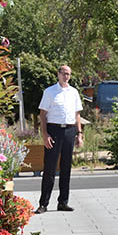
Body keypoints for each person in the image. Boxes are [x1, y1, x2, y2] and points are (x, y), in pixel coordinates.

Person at [35, 65, 83, 214]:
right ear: (58, 74)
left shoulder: (74, 92)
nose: (66, 76)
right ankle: (43, 204)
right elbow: (42, 114)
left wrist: (79, 134)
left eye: (68, 74)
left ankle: (63, 202)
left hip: (69, 130)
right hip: (54, 130)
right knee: (49, 168)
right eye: (64, 73)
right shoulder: (49, 92)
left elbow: (77, 115)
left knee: (66, 168)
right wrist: (45, 134)